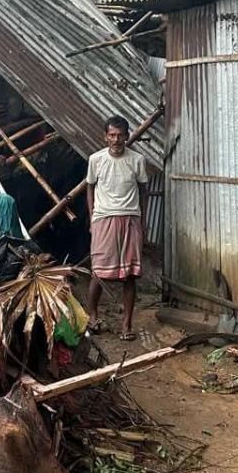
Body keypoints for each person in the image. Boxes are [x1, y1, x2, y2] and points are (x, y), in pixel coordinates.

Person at [86, 115, 149, 340]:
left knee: (130, 275)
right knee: (99, 272)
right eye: (112, 135)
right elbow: (90, 188)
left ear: (127, 136)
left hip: (131, 218)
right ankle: (92, 316)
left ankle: (127, 326)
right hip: (104, 218)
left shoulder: (137, 160)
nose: (116, 139)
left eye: (120, 135)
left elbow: (144, 191)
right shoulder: (96, 160)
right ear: (105, 137)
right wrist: (93, 216)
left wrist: (143, 221)